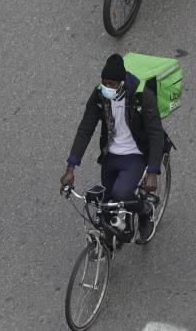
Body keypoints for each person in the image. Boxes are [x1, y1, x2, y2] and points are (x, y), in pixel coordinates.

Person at [60, 54, 166, 243]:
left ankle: (145, 211)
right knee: (106, 205)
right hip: (110, 156)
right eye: (104, 82)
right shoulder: (100, 95)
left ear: (122, 82)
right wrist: (71, 166)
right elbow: (86, 128)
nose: (106, 87)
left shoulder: (142, 96)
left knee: (121, 195)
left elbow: (156, 133)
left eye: (111, 84)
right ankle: (107, 247)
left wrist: (153, 171)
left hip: (136, 154)